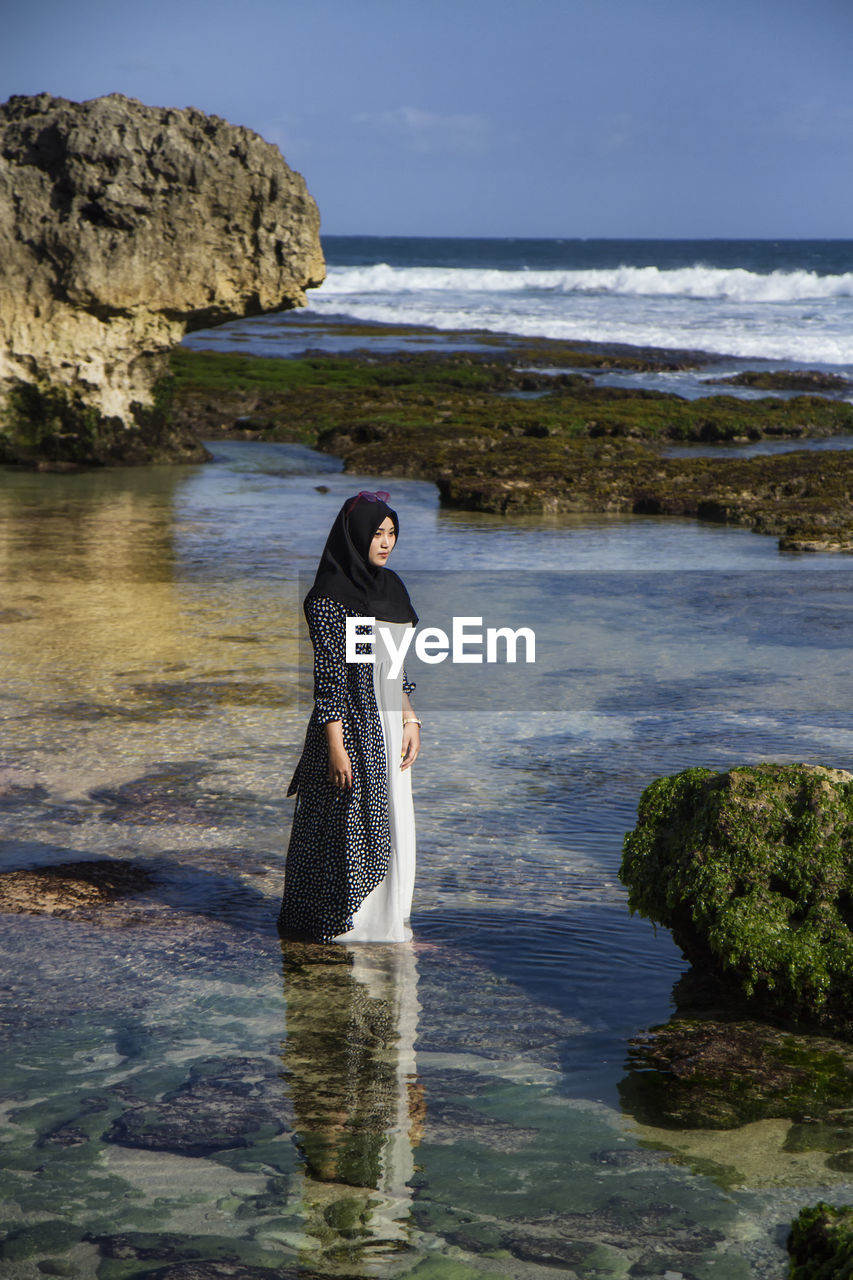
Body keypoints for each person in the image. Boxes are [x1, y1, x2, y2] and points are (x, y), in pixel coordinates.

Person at [278, 491, 420, 943]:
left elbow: (391, 667)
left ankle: (390, 921)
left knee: (394, 821)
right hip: (352, 728)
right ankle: (350, 928)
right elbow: (332, 679)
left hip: (391, 725)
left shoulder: (391, 587)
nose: (386, 542)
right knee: (352, 825)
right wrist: (337, 748)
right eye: (377, 533)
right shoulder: (329, 597)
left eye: (391, 532)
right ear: (355, 536)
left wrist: (412, 719)